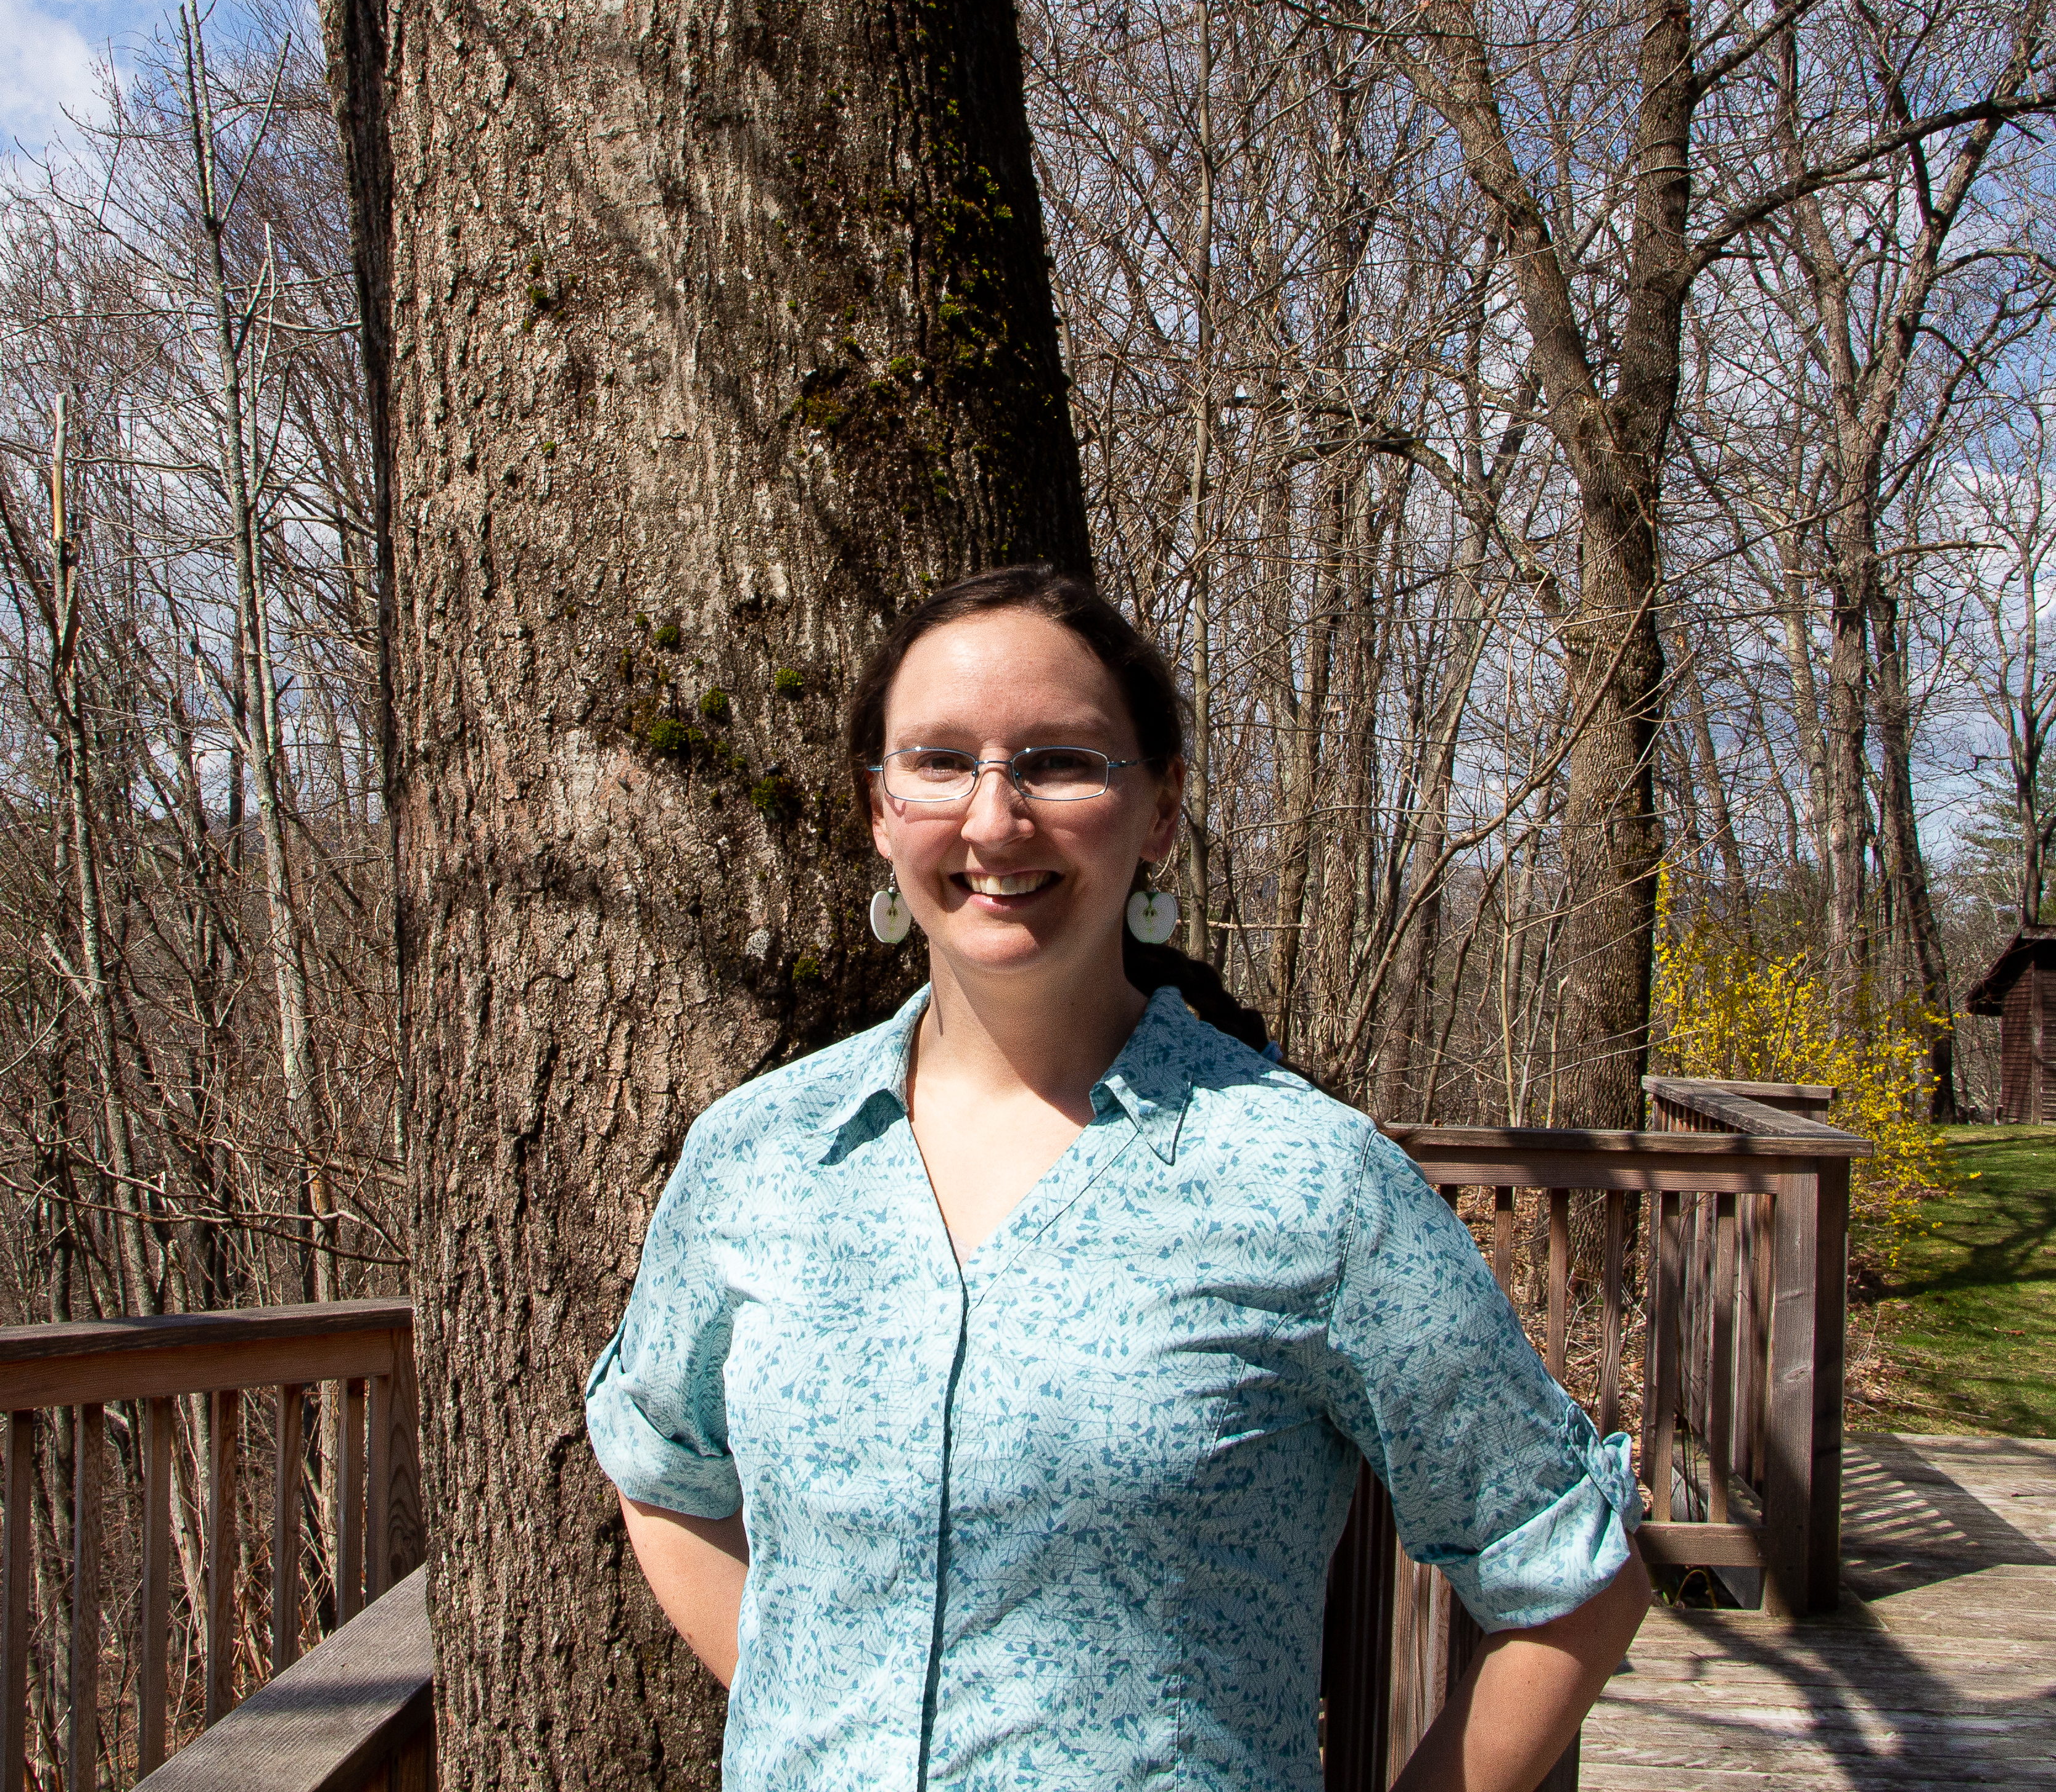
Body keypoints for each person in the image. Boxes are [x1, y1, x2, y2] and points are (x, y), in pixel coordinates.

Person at [585, 565, 1649, 1792]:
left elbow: (1569, 1574)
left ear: (1156, 813)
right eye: (938, 761)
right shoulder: (757, 1157)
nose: (992, 820)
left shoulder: (1306, 1184)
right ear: (878, 810)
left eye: (1058, 762)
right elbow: (659, 1465)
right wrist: (827, 1706)